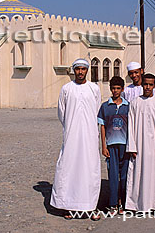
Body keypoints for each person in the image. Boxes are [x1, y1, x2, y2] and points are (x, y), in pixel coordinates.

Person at [51, 58, 102, 221]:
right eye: (77, 69)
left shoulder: (94, 88)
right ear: (73, 70)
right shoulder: (66, 89)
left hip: (90, 137)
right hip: (72, 135)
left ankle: (90, 206)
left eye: (83, 69)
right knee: (68, 168)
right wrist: (71, 128)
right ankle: (68, 205)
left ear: (87, 70)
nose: (80, 72)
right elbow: (62, 113)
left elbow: (97, 111)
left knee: (89, 169)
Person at [125, 73, 155, 214]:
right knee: (139, 174)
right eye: (145, 84)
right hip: (140, 146)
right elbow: (131, 127)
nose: (147, 87)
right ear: (141, 85)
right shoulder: (135, 103)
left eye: (150, 84)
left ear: (154, 85)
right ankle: (139, 205)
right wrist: (132, 146)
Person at [98, 76, 130, 215]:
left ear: (122, 89)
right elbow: (103, 127)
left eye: (118, 88)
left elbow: (132, 127)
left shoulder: (128, 106)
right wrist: (103, 146)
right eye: (113, 88)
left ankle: (123, 202)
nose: (115, 91)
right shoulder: (105, 106)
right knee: (112, 174)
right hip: (111, 145)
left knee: (125, 176)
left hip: (125, 145)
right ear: (110, 89)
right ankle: (112, 204)